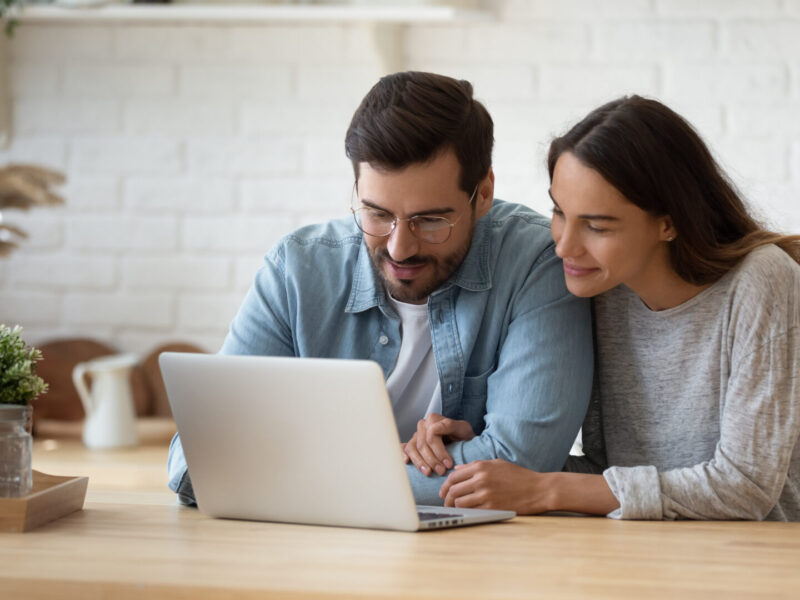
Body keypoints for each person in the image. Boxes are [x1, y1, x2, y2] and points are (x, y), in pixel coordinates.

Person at [167, 71, 593, 506]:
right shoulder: (296, 270)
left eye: (430, 221)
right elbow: (196, 460)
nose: (400, 248)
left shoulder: (536, 263)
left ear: (482, 194)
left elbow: (522, 464)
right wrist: (389, 465)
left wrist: (294, 473)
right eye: (376, 214)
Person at [439, 95, 800, 520]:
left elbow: (745, 487)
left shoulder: (761, 280)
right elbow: (609, 477)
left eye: (596, 225)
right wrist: (483, 450)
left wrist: (547, 488)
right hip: (637, 555)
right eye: (559, 211)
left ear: (669, 222)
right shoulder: (601, 289)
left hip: (756, 564)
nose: (563, 245)